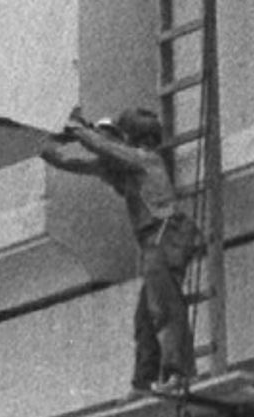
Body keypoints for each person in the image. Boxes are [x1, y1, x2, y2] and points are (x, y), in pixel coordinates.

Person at [40, 103, 199, 392]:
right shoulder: (129, 167)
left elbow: (105, 150)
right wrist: (44, 149)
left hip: (164, 235)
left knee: (164, 306)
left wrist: (77, 129)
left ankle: (180, 373)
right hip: (155, 241)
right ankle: (144, 381)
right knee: (145, 318)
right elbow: (78, 163)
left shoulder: (144, 159)